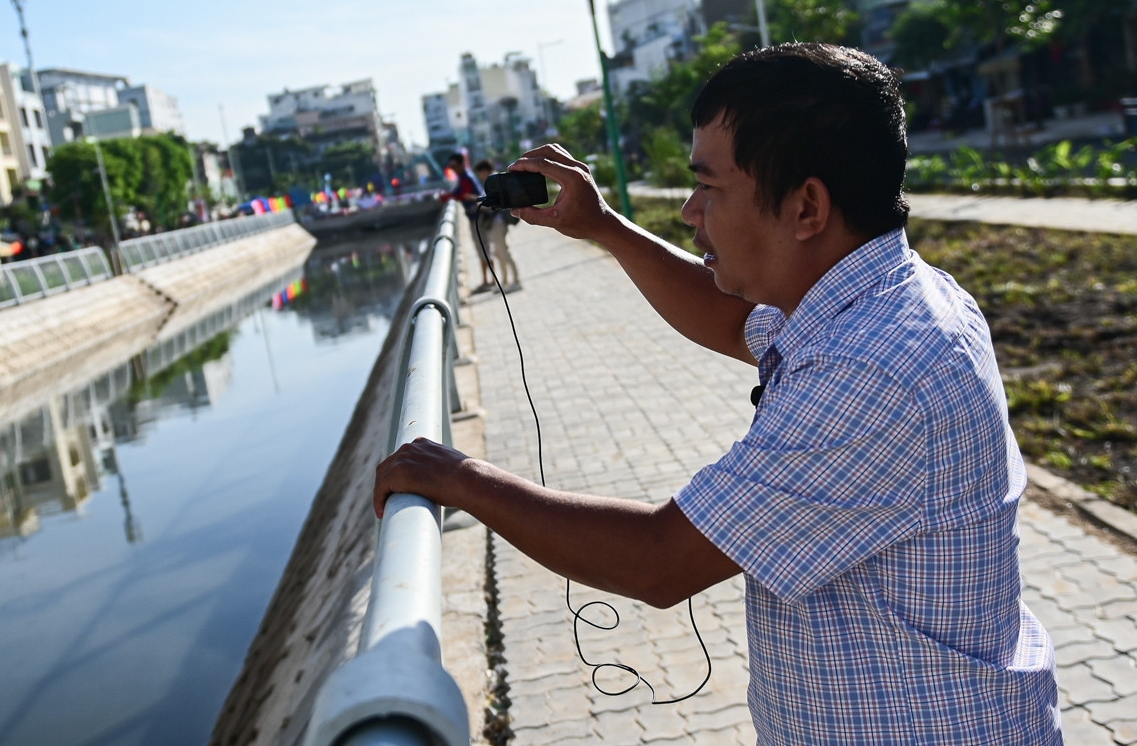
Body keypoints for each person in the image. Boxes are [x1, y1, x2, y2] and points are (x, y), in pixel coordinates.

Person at [374, 44, 1059, 745]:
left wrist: (461, 478)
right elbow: (732, 318)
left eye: (710, 187)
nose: (690, 211)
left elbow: (658, 558)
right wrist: (603, 225)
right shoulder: (886, 297)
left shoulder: (871, 367)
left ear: (806, 206)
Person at [438, 149, 489, 282]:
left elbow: (458, 194)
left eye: (454, 166)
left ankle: (489, 281)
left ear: (461, 165)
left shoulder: (466, 178)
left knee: (482, 248)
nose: (453, 169)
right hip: (476, 217)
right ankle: (487, 280)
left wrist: (444, 197)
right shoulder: (465, 177)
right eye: (451, 167)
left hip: (478, 217)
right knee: (481, 248)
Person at [471, 160, 521, 293]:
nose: (480, 175)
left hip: (498, 222)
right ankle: (504, 282)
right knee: (499, 254)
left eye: (480, 172)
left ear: (484, 170)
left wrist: (483, 206)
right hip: (494, 223)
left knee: (504, 252)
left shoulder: (495, 181)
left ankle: (516, 281)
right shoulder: (492, 180)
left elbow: (496, 203)